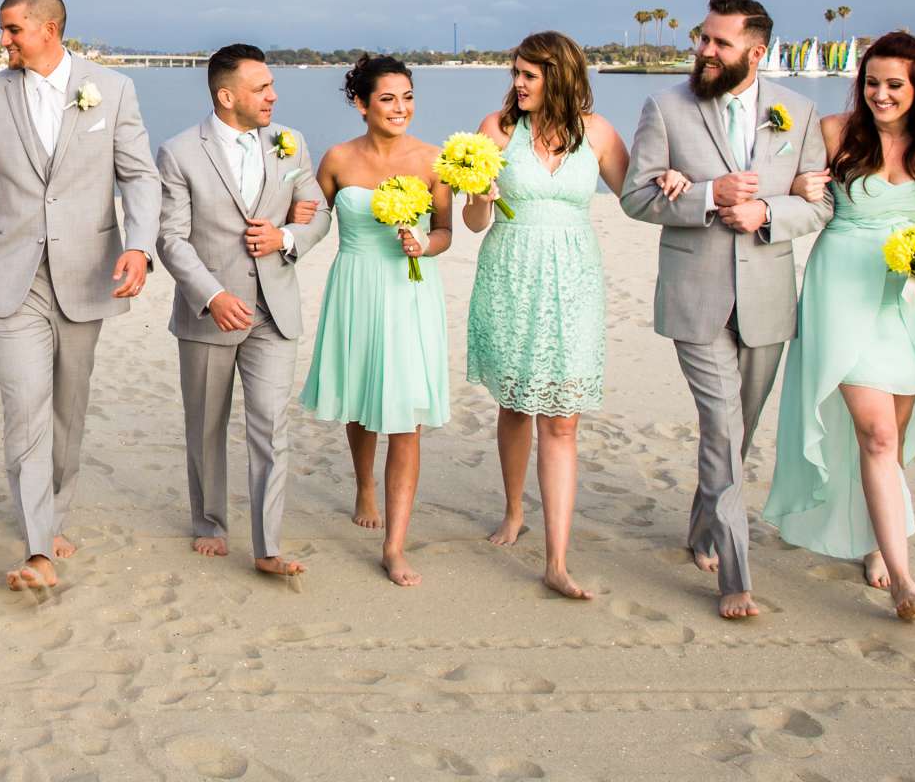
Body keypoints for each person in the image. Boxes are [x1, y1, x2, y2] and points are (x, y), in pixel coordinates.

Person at [619, 0, 833, 620]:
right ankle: (735, 576)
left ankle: (699, 528)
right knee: (722, 426)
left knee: (740, 429)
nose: (705, 52)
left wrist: (767, 211)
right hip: (696, 296)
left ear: (755, 52)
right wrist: (709, 196)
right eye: (703, 39)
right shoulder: (667, 107)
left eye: (719, 43)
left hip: (767, 299)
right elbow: (635, 198)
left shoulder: (797, 111)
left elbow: (819, 206)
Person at [0, 0, 163, 590]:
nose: (3, 41)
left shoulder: (113, 88)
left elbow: (139, 176)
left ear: (48, 29)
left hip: (86, 273)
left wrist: (139, 245)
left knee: (69, 409)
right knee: (25, 407)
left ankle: (55, 512)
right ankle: (38, 546)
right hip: (10, 278)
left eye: (12, 29)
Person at [763, 31, 915, 621]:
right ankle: (905, 580)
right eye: (872, 82)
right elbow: (783, 187)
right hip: (842, 293)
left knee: (893, 439)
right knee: (875, 433)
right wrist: (800, 184)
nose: (880, 94)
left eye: (894, 84)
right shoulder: (834, 133)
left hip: (910, 301)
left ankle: (882, 538)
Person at [462, 31, 631, 601]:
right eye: (515, 73)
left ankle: (557, 559)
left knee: (561, 418)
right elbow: (473, 223)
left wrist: (678, 179)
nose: (516, 83)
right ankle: (514, 511)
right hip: (510, 274)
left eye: (528, 75)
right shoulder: (497, 129)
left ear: (559, 75)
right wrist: (481, 194)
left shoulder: (599, 133)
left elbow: (637, 196)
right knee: (515, 403)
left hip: (574, 283)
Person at [155, 45, 331, 578]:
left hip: (275, 310)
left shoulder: (290, 142)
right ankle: (210, 523)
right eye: (262, 88)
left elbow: (317, 212)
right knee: (206, 425)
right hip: (211, 312)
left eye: (272, 86)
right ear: (227, 96)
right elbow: (171, 239)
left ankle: (268, 545)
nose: (273, 96)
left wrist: (287, 236)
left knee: (271, 426)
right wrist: (212, 295)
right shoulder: (180, 152)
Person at [300, 55, 450, 586]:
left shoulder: (435, 160)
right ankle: (364, 481)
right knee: (362, 401)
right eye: (388, 98)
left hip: (409, 292)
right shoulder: (338, 158)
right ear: (362, 104)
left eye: (407, 96)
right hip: (356, 286)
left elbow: (446, 233)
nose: (401, 108)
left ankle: (395, 545)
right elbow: (311, 219)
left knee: (405, 416)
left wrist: (424, 243)